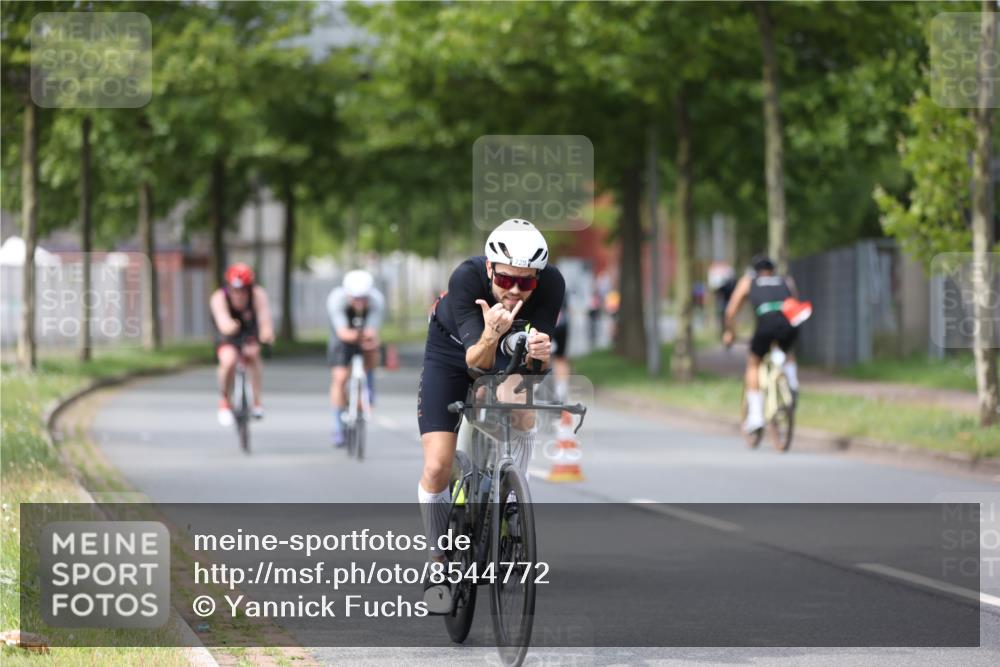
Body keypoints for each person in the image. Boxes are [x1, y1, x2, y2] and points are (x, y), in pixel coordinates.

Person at [417, 218, 564, 613]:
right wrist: (490, 333)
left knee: (521, 408)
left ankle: (515, 493)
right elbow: (475, 361)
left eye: (527, 282)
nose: (516, 290)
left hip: (508, 350)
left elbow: (534, 370)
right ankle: (437, 563)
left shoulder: (551, 284)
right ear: (489, 269)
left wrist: (539, 357)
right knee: (437, 467)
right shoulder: (466, 278)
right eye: (507, 280)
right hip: (453, 352)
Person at [722, 254, 800, 433]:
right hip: (789, 324)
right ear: (772, 270)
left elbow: (731, 311)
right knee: (786, 350)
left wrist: (730, 333)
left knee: (753, 363)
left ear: (755, 271)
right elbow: (794, 302)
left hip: (765, 324)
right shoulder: (786, 280)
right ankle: (792, 382)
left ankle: (756, 416)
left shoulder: (749, 281)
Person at [210, 263, 275, 426]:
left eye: (243, 290)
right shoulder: (219, 297)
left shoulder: (258, 295)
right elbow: (223, 321)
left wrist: (266, 334)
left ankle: (257, 401)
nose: (239, 295)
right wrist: (230, 326)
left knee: (253, 354)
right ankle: (225, 400)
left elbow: (264, 319)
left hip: (249, 330)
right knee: (228, 360)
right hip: (227, 332)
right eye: (235, 290)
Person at [326, 269, 385, 448]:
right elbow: (343, 333)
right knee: (340, 377)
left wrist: (370, 342)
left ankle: (368, 385)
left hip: (364, 334)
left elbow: (372, 331)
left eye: (363, 299)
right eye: (355, 298)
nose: (359, 303)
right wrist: (359, 337)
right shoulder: (336, 300)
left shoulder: (377, 301)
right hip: (342, 336)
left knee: (373, 352)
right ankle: (338, 425)